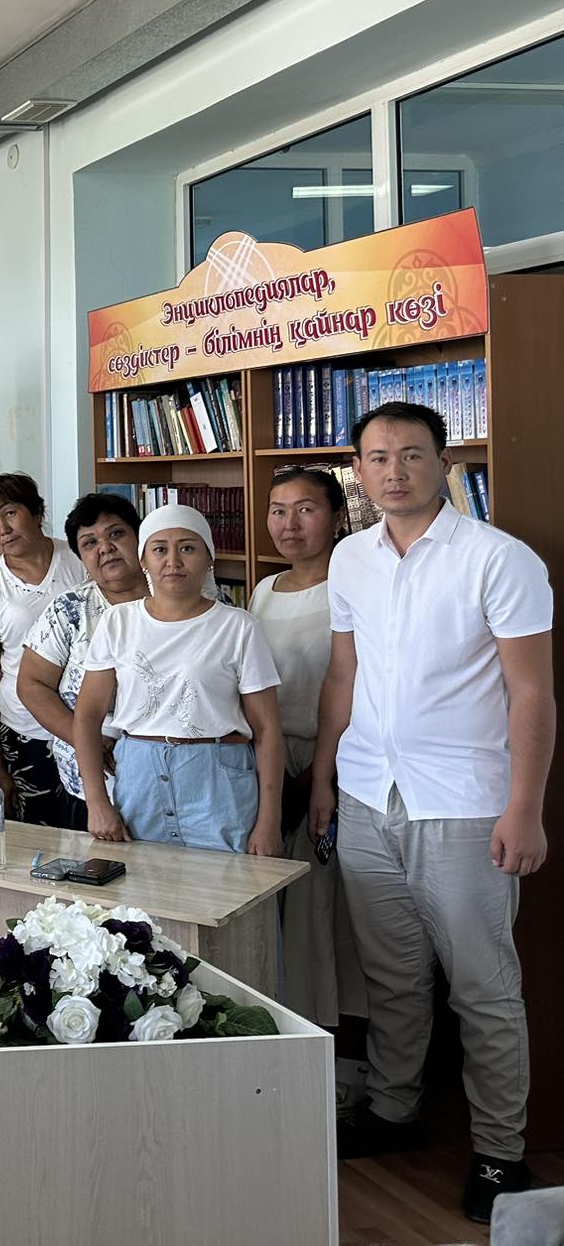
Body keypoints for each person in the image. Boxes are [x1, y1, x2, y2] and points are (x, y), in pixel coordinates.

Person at [306, 401, 554, 1224]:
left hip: (464, 804)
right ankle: (393, 1110)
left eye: (412, 455)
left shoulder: (498, 559)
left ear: (444, 463)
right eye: (378, 458)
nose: (395, 472)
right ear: (358, 471)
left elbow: (532, 693)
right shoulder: (351, 558)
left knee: (484, 987)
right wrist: (324, 778)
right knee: (391, 975)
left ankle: (500, 1152)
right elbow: (342, 676)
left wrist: (526, 808)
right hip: (368, 794)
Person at [71, 506, 283, 856]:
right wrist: (97, 801)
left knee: (227, 883)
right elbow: (87, 716)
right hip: (138, 780)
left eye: (187, 548)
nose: (173, 561)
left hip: (218, 783)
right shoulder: (118, 622)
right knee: (141, 885)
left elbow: (268, 728)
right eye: (160, 549)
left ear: (209, 558)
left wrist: (269, 821)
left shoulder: (239, 627)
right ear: (143, 560)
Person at [250, 467, 362, 1034]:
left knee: (325, 907)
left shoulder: (355, 583)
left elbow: (353, 683)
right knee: (278, 905)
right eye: (277, 510)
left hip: (334, 761)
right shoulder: (263, 591)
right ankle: (287, 1027)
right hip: (268, 761)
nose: (288, 524)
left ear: (337, 515)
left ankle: (340, 1038)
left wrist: (321, 775)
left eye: (305, 509)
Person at [16, 493, 147, 832]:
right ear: (81, 557)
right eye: (90, 543)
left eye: (116, 534)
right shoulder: (70, 609)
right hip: (90, 782)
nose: (105, 548)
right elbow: (31, 685)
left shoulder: (184, 598)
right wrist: (86, 740)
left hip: (171, 775)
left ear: (140, 537)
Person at [0, 473, 87, 821]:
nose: (2, 529)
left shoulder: (80, 559)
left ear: (37, 513)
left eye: (10, 513)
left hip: (92, 722)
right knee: (37, 835)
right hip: (25, 730)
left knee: (96, 830)